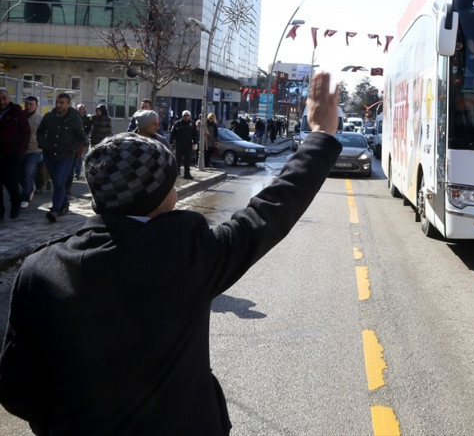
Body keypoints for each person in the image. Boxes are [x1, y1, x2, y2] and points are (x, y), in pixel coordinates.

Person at [0, 73, 343, 435]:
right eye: (171, 183)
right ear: (159, 195)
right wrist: (321, 135)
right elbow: (271, 210)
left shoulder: (38, 269)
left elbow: (16, 386)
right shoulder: (188, 256)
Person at [36, 92, 86, 222]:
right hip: (50, 155)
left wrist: (71, 149)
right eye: (57, 102)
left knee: (59, 181)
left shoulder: (75, 119)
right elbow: (40, 132)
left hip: (66, 156)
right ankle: (65, 204)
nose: (58, 105)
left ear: (68, 104)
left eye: (62, 103)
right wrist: (43, 144)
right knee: (58, 183)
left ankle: (55, 210)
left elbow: (81, 138)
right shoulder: (49, 117)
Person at [0, 88, 30, 222]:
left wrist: (20, 152)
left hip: (12, 154)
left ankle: (15, 204)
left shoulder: (17, 112)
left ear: (9, 98)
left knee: (11, 182)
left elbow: (26, 133)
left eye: (4, 98)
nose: (2, 102)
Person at [19, 96, 43, 209]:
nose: (28, 106)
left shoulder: (40, 119)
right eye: (27, 104)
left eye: (31, 104)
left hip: (34, 150)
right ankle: (30, 187)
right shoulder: (19, 116)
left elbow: (45, 135)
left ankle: (24, 198)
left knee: (27, 174)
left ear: (36, 106)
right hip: (19, 150)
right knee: (19, 175)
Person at [169, 110, 198, 179]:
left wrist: (195, 143)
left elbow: (195, 134)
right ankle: (177, 173)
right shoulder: (177, 123)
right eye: (185, 115)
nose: (186, 117)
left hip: (188, 144)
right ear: (182, 116)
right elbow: (172, 133)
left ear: (190, 116)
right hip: (179, 144)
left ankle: (187, 174)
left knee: (187, 160)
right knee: (178, 160)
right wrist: (171, 142)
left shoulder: (192, 123)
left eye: (188, 115)